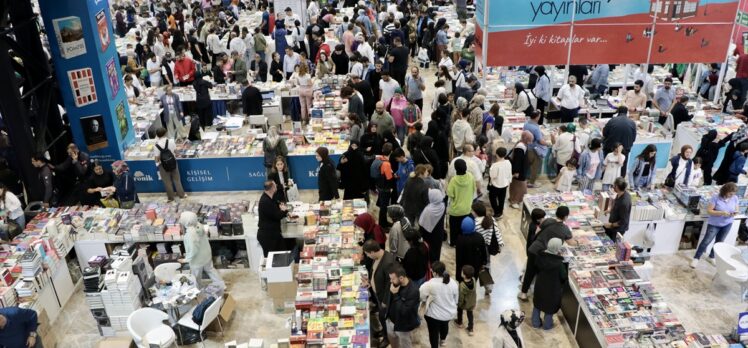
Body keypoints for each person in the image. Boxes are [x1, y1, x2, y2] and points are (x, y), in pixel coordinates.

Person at [519, 206, 572, 300]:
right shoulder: (565, 229)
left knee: (529, 271)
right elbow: (571, 242)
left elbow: (537, 231)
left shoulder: (548, 221)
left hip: (534, 248)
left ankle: (523, 293)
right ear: (566, 217)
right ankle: (538, 295)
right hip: (544, 254)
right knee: (542, 275)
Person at [692, 182, 739, 268]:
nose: (731, 195)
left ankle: (712, 256)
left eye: (733, 194)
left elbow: (736, 209)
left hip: (727, 223)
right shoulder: (715, 197)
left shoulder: (735, 198)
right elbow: (709, 211)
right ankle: (696, 258)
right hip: (714, 224)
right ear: (725, 191)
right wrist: (721, 213)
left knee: (719, 242)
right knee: (706, 241)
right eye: (730, 193)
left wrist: (734, 213)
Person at [179, 211, 225, 289]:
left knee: (196, 276)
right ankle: (222, 285)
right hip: (206, 254)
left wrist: (187, 259)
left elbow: (193, 249)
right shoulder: (199, 225)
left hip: (197, 259)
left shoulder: (190, 234)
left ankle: (198, 289)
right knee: (211, 270)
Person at [420, 260, 458, 348]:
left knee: (433, 333)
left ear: (435, 273)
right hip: (448, 314)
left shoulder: (429, 284)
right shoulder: (453, 283)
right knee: (444, 326)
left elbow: (421, 297)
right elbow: (456, 300)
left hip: (433, 316)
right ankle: (443, 340)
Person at [531, 238, 566, 330]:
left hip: (540, 285)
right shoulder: (559, 263)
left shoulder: (540, 256)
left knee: (537, 304)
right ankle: (547, 325)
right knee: (549, 307)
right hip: (552, 288)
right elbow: (563, 276)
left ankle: (535, 322)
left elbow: (536, 268)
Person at [384, 265, 420, 348]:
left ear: (401, 278)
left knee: (405, 345)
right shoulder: (394, 283)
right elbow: (388, 294)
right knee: (393, 342)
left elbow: (404, 311)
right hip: (390, 320)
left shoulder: (413, 291)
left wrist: (396, 295)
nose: (390, 281)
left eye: (393, 279)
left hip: (403, 326)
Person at [257, 180, 290, 257]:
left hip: (273, 234)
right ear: (272, 188)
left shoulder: (269, 197)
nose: (276, 187)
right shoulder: (265, 201)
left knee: (282, 255)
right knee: (274, 259)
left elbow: (275, 203)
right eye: (275, 186)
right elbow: (277, 216)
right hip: (268, 237)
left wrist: (280, 205)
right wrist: (284, 210)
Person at [447, 159, 475, 247]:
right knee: (464, 227)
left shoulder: (454, 180)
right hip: (467, 208)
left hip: (455, 210)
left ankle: (454, 243)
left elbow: (450, 194)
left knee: (454, 228)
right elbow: (474, 189)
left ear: (455, 169)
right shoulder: (470, 177)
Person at [602, 106, 637, 176]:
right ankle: (621, 177)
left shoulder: (612, 120)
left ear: (618, 112)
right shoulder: (632, 122)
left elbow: (605, 133)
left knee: (608, 163)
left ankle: (604, 176)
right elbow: (633, 138)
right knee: (623, 164)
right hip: (625, 147)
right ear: (627, 113)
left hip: (611, 147)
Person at [154, 127, 186, 202]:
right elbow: (175, 152)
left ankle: (171, 197)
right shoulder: (171, 141)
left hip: (163, 166)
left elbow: (157, 158)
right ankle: (182, 195)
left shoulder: (156, 145)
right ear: (165, 133)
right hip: (173, 162)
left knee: (167, 182)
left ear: (157, 135)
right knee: (177, 179)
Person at [455, 216, 487, 285]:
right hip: (476, 266)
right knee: (473, 281)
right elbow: (483, 252)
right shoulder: (479, 237)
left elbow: (458, 257)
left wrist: (458, 273)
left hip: (464, 268)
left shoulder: (460, 239)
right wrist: (484, 262)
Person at [523, 111, 549, 188]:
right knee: (535, 167)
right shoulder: (535, 128)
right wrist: (548, 143)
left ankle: (525, 179)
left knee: (527, 165)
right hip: (534, 150)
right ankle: (532, 183)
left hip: (527, 147)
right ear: (537, 117)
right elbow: (540, 141)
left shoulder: (526, 124)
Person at [509, 131, 533, 209]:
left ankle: (513, 198)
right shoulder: (520, 147)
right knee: (519, 186)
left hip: (521, 170)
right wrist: (516, 171)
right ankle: (514, 201)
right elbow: (517, 160)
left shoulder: (521, 145)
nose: (530, 142)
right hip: (519, 171)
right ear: (526, 139)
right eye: (530, 140)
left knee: (516, 185)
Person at [488, 147, 513, 218]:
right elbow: (509, 173)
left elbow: (492, 175)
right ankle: (500, 211)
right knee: (502, 198)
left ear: (496, 154)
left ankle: (496, 212)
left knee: (492, 198)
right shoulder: (508, 162)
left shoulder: (495, 165)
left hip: (496, 185)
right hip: (505, 184)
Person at [456, 264, 477, 336]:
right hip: (472, 301)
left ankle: (460, 322)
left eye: (462, 272)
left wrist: (459, 304)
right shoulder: (474, 279)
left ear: (464, 275)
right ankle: (471, 329)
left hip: (465, 303)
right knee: (470, 314)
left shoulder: (462, 285)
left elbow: (461, 297)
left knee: (459, 310)